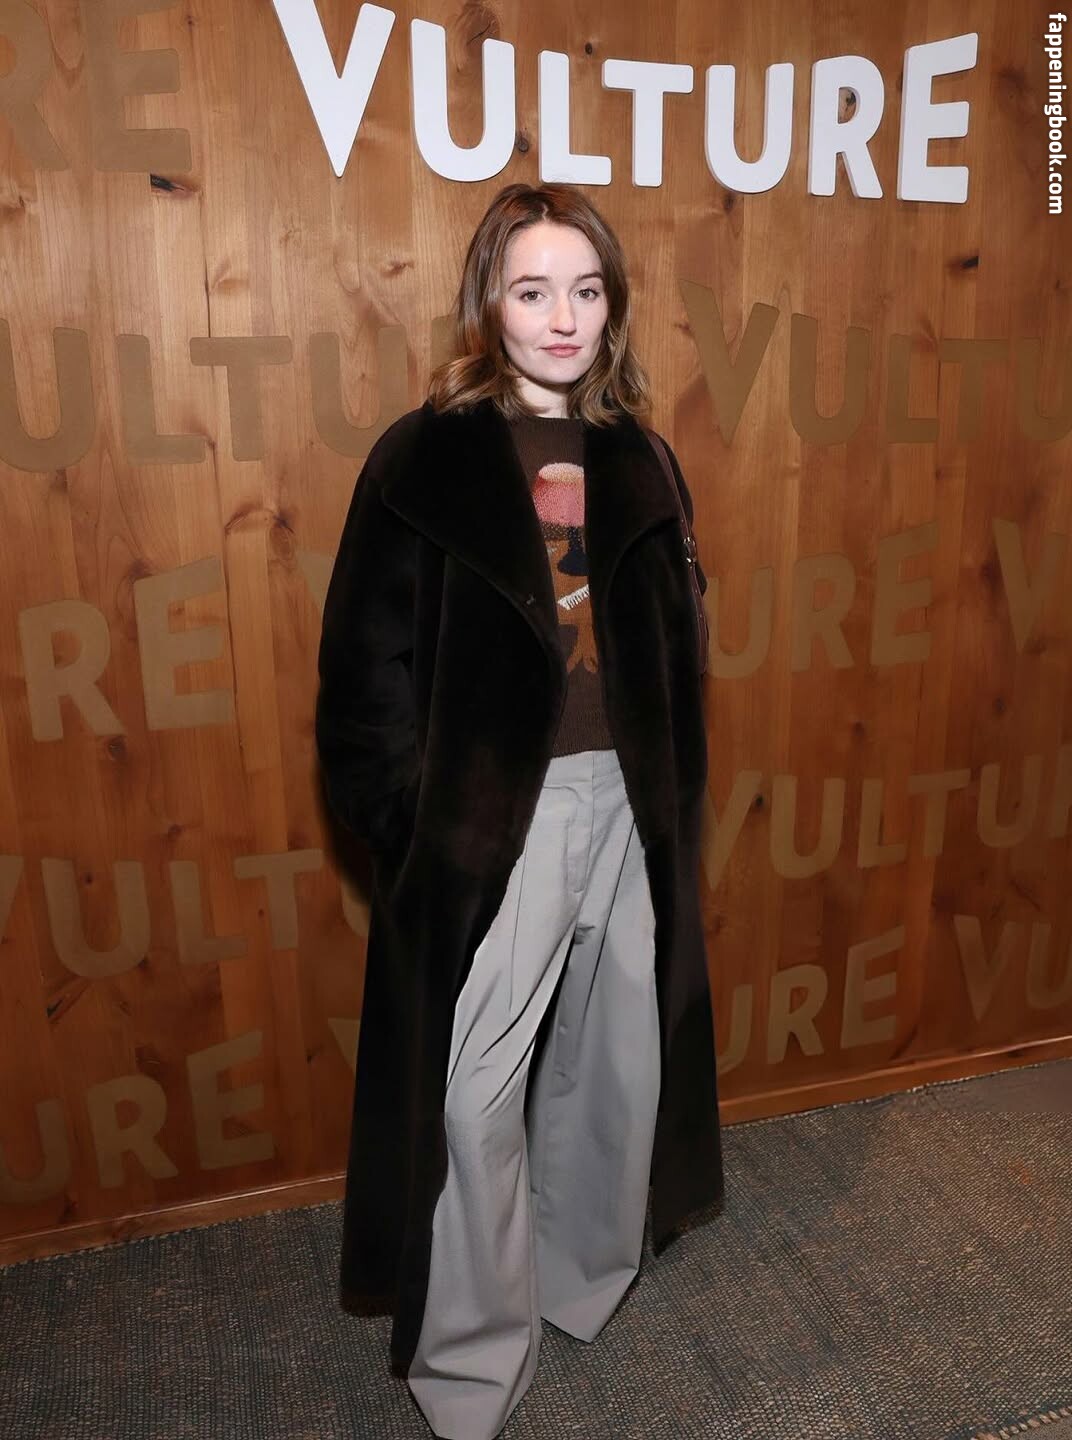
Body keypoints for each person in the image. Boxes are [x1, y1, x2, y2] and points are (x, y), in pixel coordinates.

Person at [314, 181, 724, 1440]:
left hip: (629, 806)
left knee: (616, 1059)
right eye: (534, 289)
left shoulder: (642, 455)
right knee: (470, 1096)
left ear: (613, 306)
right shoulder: (426, 457)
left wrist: (673, 790)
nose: (563, 317)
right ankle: (472, 1361)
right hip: (499, 817)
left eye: (586, 290)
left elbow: (678, 636)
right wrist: (410, 822)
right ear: (488, 302)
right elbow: (362, 669)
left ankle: (581, 1277)